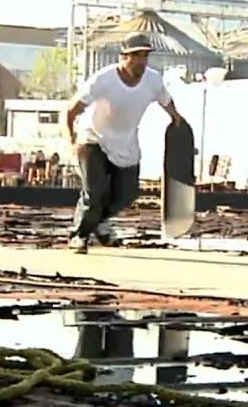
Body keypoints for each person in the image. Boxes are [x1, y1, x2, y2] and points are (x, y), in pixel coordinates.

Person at [65, 32, 185, 254]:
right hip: (93, 140)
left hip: (126, 144)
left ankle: (100, 223)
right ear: (123, 57)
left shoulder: (153, 80)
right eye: (136, 56)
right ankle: (79, 235)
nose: (141, 61)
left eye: (145, 56)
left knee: (126, 194)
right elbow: (71, 110)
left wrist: (176, 119)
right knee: (95, 192)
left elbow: (166, 101)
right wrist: (71, 140)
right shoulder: (103, 80)